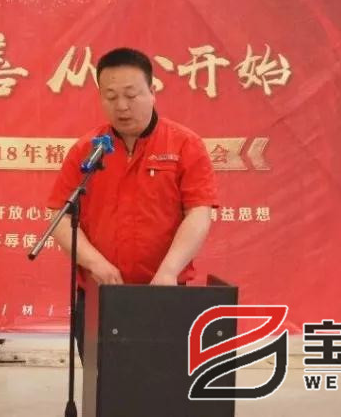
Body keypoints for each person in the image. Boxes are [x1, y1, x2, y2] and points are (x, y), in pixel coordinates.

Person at [46, 47, 219, 359]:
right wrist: (95, 263)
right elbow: (61, 217)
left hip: (164, 290)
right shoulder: (87, 150)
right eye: (110, 97)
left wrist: (169, 271)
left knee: (160, 379)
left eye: (131, 95)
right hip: (100, 293)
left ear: (152, 92)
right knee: (101, 382)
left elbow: (199, 213)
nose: (122, 106)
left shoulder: (185, 145)